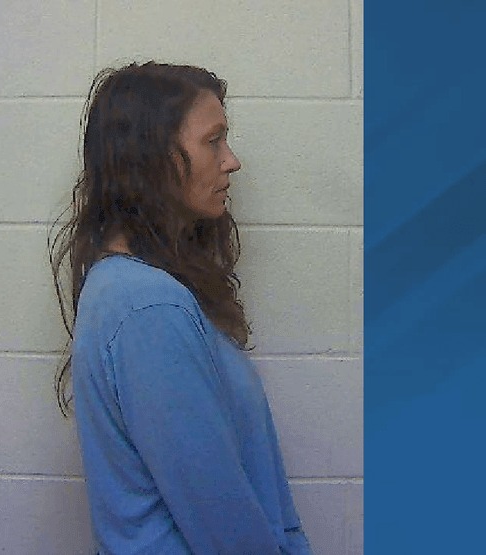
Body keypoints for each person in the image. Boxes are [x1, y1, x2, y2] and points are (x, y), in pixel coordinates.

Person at [50, 62, 312, 554]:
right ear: (153, 157)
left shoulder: (131, 290)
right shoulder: (147, 306)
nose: (231, 161)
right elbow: (221, 518)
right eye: (214, 141)